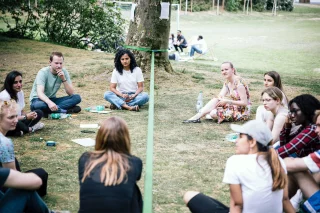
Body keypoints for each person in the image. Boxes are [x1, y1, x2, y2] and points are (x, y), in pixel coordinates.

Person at [183, 120, 295, 213]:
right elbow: (285, 200)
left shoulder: (235, 162)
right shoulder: (278, 161)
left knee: (190, 195)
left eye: (240, 137)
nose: (236, 141)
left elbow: (237, 205)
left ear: (252, 142)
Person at [78, 116, 143, 213]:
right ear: (125, 138)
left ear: (99, 137)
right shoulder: (134, 162)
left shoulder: (85, 159)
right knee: (133, 189)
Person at [0, 100, 48, 197]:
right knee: (41, 174)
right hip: (4, 188)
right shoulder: (4, 143)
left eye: (16, 116)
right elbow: (12, 176)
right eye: (11, 117)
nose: (16, 120)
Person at [183, 62, 251, 123]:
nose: (224, 72)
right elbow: (220, 95)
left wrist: (227, 101)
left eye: (226, 69)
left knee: (213, 113)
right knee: (216, 100)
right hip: (233, 106)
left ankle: (203, 114)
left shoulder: (239, 83)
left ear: (232, 70)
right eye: (222, 70)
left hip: (242, 111)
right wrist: (220, 98)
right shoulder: (227, 82)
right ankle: (197, 116)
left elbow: (244, 103)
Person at [284, 110, 320, 213]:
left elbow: (285, 152)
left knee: (295, 168)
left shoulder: (308, 131)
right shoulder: (300, 128)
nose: (316, 130)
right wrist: (286, 127)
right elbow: (284, 142)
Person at [29, 52, 82, 117]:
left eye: (61, 63)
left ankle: (46, 112)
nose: (59, 66)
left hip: (52, 99)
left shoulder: (64, 72)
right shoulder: (43, 72)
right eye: (56, 63)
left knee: (77, 98)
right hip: (38, 99)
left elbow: (71, 93)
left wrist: (63, 79)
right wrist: (49, 103)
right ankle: (65, 111)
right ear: (50, 62)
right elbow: (40, 93)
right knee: (39, 105)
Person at [0, 71, 44, 136]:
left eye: (20, 81)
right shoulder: (5, 96)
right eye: (15, 82)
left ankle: (20, 131)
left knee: (39, 112)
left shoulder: (20, 92)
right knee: (15, 122)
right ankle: (30, 129)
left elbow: (21, 110)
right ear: (10, 84)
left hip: (19, 119)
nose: (19, 85)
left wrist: (30, 115)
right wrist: (26, 117)